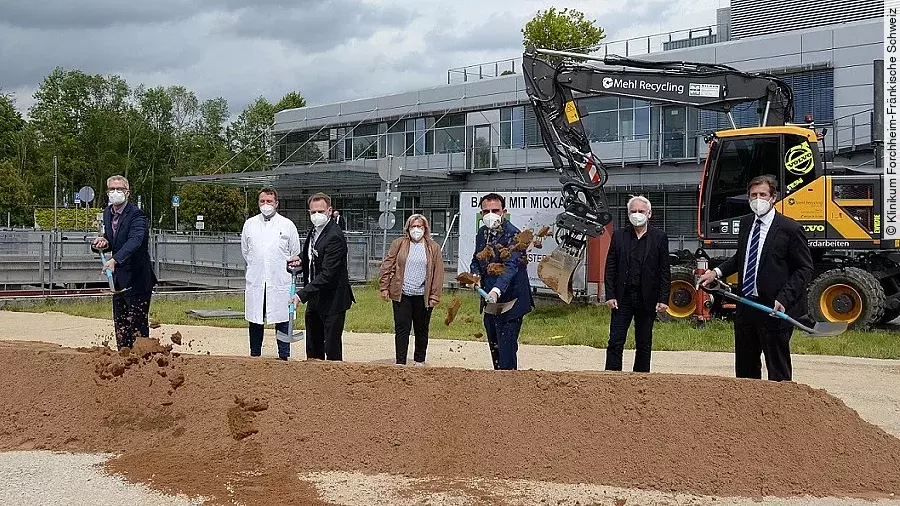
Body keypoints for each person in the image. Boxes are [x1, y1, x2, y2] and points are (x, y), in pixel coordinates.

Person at [699, 175, 814, 381]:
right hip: (747, 306)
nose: (757, 199)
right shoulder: (745, 224)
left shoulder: (790, 229)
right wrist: (716, 272)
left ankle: (780, 409)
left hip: (774, 309)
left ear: (773, 197)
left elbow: (804, 269)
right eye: (753, 195)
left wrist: (784, 298)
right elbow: (740, 258)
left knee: (777, 370)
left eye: (763, 194)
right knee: (745, 369)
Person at [603, 195, 671, 373]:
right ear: (628, 214)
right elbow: (610, 267)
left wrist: (664, 298)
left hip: (646, 297)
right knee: (616, 340)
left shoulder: (660, 237)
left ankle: (641, 379)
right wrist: (609, 294)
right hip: (622, 297)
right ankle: (611, 378)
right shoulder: (618, 236)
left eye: (641, 211)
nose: (637, 214)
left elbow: (664, 270)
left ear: (649, 213)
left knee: (644, 342)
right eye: (633, 211)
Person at [91, 175, 157, 350]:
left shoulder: (137, 215)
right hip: (118, 279)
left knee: (137, 324)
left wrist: (115, 259)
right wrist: (104, 242)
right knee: (120, 323)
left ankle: (142, 360)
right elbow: (115, 240)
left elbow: (135, 241)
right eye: (111, 189)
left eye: (119, 189)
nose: (115, 192)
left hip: (137, 278)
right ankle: (123, 357)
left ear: (127, 192)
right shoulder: (107, 213)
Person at [469, 193, 534, 370]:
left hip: (511, 301)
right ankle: (498, 384)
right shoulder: (482, 233)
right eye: (486, 211)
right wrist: (474, 275)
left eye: (495, 210)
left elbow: (511, 266)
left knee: (506, 350)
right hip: (490, 302)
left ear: (504, 212)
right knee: (495, 347)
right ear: (481, 214)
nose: (491, 214)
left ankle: (509, 386)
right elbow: (476, 260)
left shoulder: (514, 236)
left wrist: (497, 290)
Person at [289, 192, 354, 360]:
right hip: (315, 297)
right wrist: (301, 260)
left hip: (332, 299)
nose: (316, 215)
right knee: (313, 344)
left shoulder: (335, 236)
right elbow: (313, 254)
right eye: (313, 212)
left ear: (329, 210)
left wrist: (300, 295)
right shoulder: (315, 230)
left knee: (331, 346)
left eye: (320, 211)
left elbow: (327, 274)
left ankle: (333, 380)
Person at [240, 187, 301, 360]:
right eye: (262, 201)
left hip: (279, 280)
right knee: (255, 318)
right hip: (257, 279)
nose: (266, 204)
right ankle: (255, 354)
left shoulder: (287, 225)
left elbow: (294, 252)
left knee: (282, 317)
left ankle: (283, 355)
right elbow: (246, 251)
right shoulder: (250, 224)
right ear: (258, 203)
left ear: (276, 203)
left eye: (269, 201)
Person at [378, 214, 444, 366]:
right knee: (402, 329)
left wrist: (435, 295)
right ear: (407, 228)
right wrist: (384, 287)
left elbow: (438, 272)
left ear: (425, 229)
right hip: (402, 294)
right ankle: (400, 362)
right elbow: (387, 265)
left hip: (423, 296)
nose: (416, 230)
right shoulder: (399, 244)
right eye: (413, 226)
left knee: (421, 329)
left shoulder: (433, 247)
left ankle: (419, 361)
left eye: (419, 227)